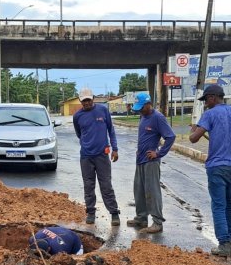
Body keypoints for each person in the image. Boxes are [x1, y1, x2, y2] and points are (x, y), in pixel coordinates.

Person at [189, 84, 231, 257]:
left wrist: (194, 129)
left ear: (212, 98)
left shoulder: (209, 115)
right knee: (230, 203)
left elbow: (193, 139)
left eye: (206, 101)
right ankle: (229, 239)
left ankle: (223, 244)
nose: (205, 105)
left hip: (216, 167)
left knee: (219, 205)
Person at [126, 92, 175, 233]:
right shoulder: (143, 116)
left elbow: (170, 136)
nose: (140, 110)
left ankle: (157, 222)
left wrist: (158, 153)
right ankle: (141, 218)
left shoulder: (158, 118)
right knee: (139, 190)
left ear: (149, 104)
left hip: (151, 161)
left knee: (152, 191)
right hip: (140, 159)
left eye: (142, 107)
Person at [72, 88, 121, 226]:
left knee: (106, 185)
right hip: (86, 156)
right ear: (80, 101)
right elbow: (79, 133)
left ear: (92, 98)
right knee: (88, 186)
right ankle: (91, 213)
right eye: (84, 101)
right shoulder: (77, 116)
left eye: (88, 100)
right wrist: (87, 143)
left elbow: (111, 130)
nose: (86, 103)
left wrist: (115, 148)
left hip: (102, 155)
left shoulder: (103, 111)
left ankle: (114, 213)